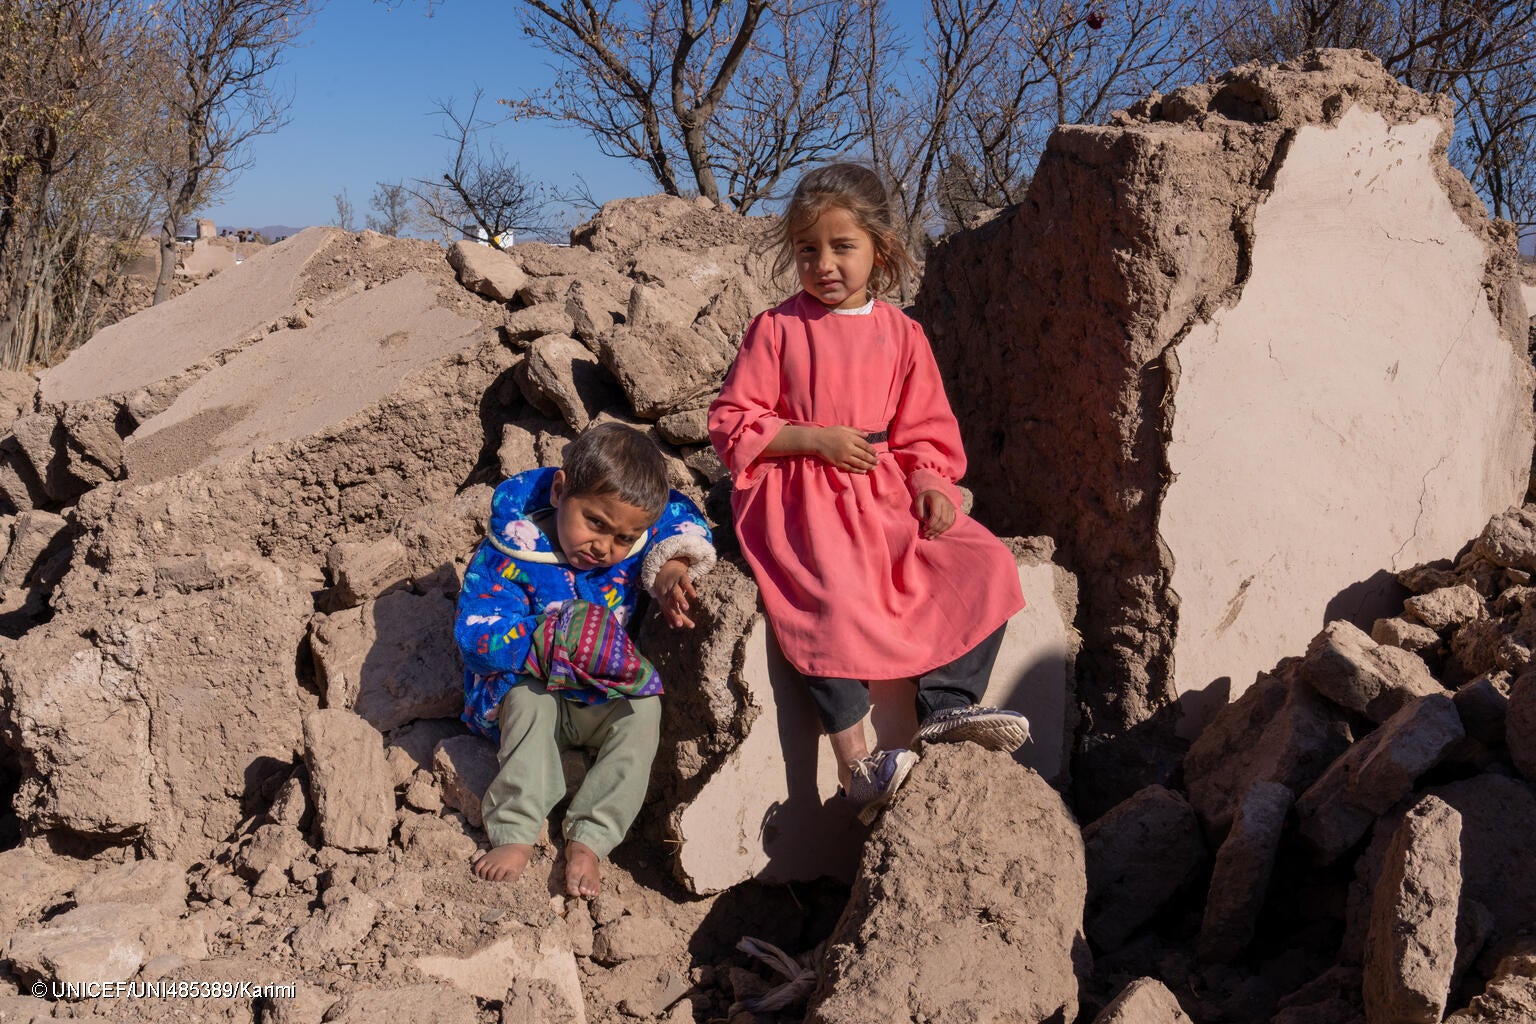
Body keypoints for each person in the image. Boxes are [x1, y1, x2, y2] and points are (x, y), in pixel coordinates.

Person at [708, 162, 1027, 824]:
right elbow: (733, 419)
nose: (824, 264)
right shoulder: (777, 329)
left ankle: (949, 709)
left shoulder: (903, 335)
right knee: (831, 593)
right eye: (807, 250)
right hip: (799, 493)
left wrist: (934, 485)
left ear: (879, 247)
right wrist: (813, 440)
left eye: (841, 246)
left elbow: (926, 433)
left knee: (983, 562)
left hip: (882, 490)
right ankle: (855, 762)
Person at [455, 422, 715, 895]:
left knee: (643, 709)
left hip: (595, 698)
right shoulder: (510, 554)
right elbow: (474, 638)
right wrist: (545, 637)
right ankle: (515, 832)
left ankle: (590, 838)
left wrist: (670, 561)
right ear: (559, 491)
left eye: (624, 537)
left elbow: (677, 511)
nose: (605, 547)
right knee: (529, 702)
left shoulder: (628, 542)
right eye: (594, 523)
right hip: (525, 699)